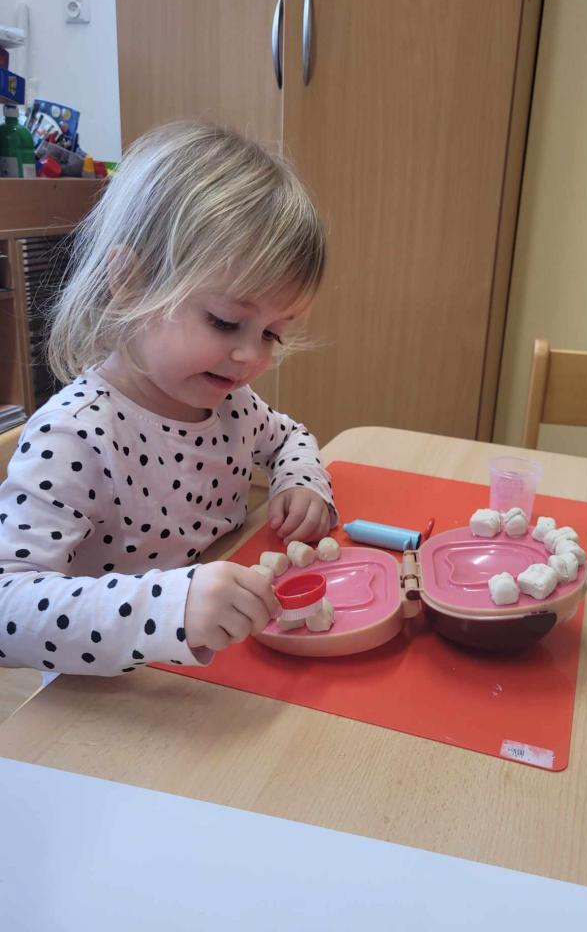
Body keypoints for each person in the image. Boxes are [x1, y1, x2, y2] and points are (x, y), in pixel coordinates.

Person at [0, 122, 336, 677]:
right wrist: (169, 608)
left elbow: (288, 438)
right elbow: (7, 611)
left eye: (272, 334)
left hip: (228, 666)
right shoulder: (75, 434)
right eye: (224, 321)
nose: (251, 356)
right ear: (129, 282)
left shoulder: (233, 404)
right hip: (120, 694)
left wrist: (300, 482)